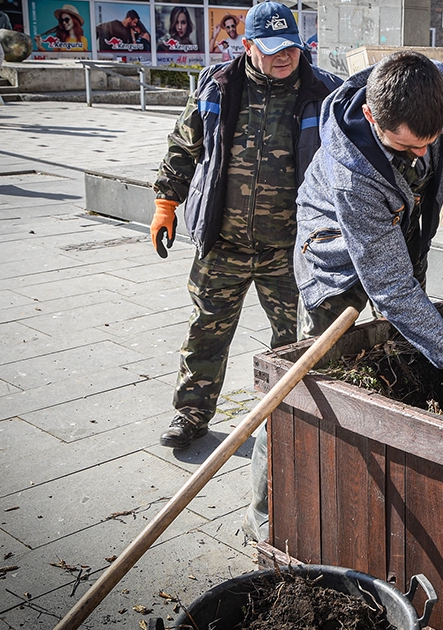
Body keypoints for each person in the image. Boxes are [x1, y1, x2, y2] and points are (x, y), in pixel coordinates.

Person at [264, 50, 443, 542]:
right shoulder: (354, 171)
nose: (421, 155)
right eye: (407, 146)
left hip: (396, 238)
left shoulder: (435, 87)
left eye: (428, 143)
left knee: (407, 347)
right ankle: (270, 509)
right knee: (312, 380)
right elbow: (392, 289)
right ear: (373, 118)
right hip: (333, 259)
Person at [150, 1, 341, 455]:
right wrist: (165, 203)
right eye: (272, 48)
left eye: (291, 47)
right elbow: (184, 145)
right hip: (223, 243)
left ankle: (290, 420)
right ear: (249, 45)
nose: (284, 56)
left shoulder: (322, 91)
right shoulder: (219, 85)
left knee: (296, 342)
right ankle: (191, 414)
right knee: (206, 332)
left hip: (292, 250)